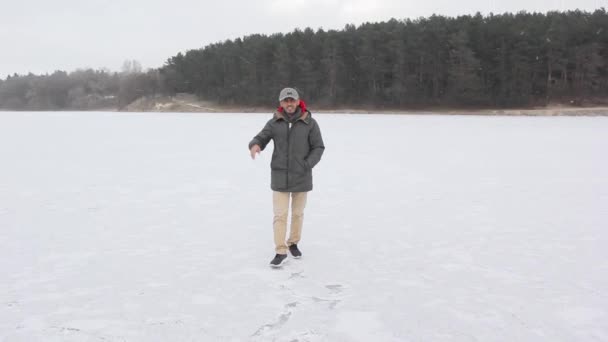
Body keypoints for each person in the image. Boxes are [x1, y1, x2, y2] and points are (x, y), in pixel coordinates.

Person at [249, 87, 325, 267]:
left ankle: (293, 243)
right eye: (286, 101)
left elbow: (318, 147)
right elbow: (262, 137)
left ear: (298, 101)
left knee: (297, 214)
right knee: (280, 215)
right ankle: (280, 250)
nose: (289, 104)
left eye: (292, 100)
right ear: (281, 103)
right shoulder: (274, 122)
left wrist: (307, 164)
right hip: (279, 176)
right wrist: (255, 145)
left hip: (302, 176)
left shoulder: (310, 123)